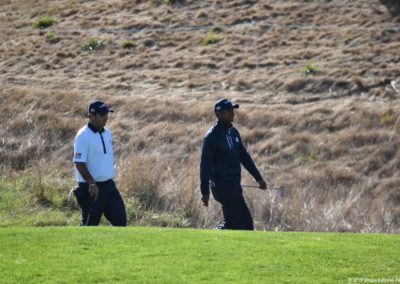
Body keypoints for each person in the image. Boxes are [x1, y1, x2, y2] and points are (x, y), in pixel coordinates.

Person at [200, 99, 267, 230]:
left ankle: (213, 240)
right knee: (245, 223)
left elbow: (245, 157)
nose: (232, 113)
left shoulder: (234, 133)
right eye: (228, 110)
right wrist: (204, 191)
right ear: (218, 114)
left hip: (234, 185)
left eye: (232, 110)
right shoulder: (212, 136)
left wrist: (258, 178)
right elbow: (205, 165)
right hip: (222, 187)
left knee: (230, 224)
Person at [72, 100, 127, 226]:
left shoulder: (107, 132)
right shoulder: (83, 136)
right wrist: (91, 183)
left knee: (121, 222)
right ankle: (82, 245)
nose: (106, 118)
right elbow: (79, 163)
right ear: (91, 116)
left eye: (106, 114)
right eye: (102, 115)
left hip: (109, 186)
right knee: (89, 225)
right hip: (91, 188)